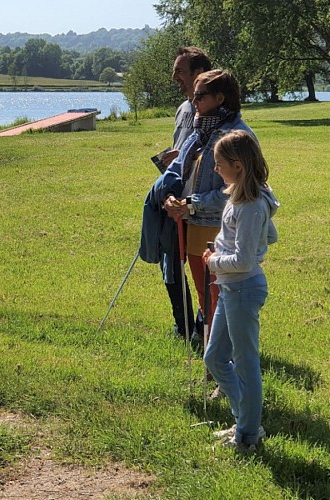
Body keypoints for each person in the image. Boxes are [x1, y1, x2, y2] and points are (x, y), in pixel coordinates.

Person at [163, 69, 255, 340]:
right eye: (194, 94)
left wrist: (191, 203)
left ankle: (223, 361)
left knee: (220, 301)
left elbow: (237, 191)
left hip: (220, 230)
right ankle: (212, 357)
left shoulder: (238, 137)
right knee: (206, 299)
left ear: (220, 98)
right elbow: (179, 170)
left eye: (200, 95)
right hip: (193, 226)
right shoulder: (200, 130)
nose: (193, 101)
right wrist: (171, 196)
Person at [203, 130, 279, 452]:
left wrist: (213, 260)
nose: (215, 169)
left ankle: (247, 437)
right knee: (215, 357)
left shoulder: (250, 205)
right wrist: (246, 244)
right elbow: (270, 237)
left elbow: (245, 259)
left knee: (245, 363)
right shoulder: (244, 198)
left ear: (238, 165)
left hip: (242, 289)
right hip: (231, 286)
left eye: (219, 164)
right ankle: (245, 422)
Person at [140, 47, 211, 341]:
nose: (174, 78)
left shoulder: (213, 110)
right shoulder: (184, 109)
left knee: (202, 270)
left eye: (180, 71)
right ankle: (184, 327)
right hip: (173, 201)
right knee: (170, 267)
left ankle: (203, 326)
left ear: (198, 74)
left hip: (198, 205)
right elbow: (182, 149)